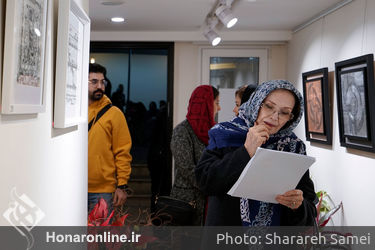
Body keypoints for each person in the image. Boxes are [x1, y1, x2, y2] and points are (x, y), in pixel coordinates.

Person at [195, 80, 317, 226]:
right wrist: (246, 151)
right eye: (269, 107)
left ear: (292, 118)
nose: (274, 117)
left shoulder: (294, 147)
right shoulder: (225, 134)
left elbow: (309, 209)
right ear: (256, 102)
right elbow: (205, 182)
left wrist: (298, 205)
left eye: (284, 113)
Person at [169, 85, 221, 225]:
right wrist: (212, 185)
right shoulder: (182, 131)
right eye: (216, 103)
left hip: (210, 201)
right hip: (187, 203)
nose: (219, 108)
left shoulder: (216, 131)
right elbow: (186, 168)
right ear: (206, 104)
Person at [88, 63, 132, 213]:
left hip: (103, 191)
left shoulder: (114, 114)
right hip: (72, 188)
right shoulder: (73, 113)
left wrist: (122, 185)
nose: (100, 86)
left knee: (101, 236)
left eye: (102, 81)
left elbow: (123, 153)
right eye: (94, 82)